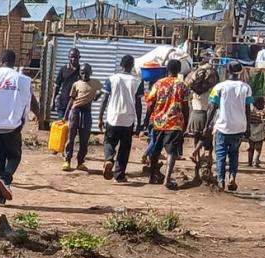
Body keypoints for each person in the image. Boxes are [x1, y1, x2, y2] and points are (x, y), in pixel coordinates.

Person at [0, 49, 39, 205]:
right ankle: (6, 179)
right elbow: (28, 102)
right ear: (14, 63)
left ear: (1, 61)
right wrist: (30, 118)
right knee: (14, 156)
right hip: (12, 125)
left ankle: (0, 198)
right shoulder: (23, 80)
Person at [141, 60, 187, 189]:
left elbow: (150, 103)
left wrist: (146, 120)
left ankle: (152, 177)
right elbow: (185, 106)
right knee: (172, 152)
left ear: (167, 69)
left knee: (156, 149)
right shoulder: (182, 85)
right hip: (175, 122)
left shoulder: (158, 83)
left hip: (158, 121)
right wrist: (185, 122)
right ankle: (167, 179)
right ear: (179, 70)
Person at [209, 63, 253, 191]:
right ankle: (232, 177)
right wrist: (248, 127)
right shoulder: (246, 88)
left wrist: (207, 125)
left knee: (220, 155)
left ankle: (221, 181)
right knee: (234, 153)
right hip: (239, 126)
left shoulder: (219, 87)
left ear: (227, 71)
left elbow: (213, 107)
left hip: (223, 126)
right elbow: (247, 109)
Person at [98, 55, 140, 183]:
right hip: (128, 119)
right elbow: (138, 104)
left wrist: (100, 117)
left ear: (121, 65)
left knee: (109, 142)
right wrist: (139, 122)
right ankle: (119, 175)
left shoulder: (112, 79)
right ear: (132, 66)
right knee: (125, 148)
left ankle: (109, 159)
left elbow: (104, 99)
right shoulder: (137, 81)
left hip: (113, 117)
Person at [61, 62, 100, 172]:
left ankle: (80, 162)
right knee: (71, 138)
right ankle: (67, 160)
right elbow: (72, 100)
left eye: (87, 73)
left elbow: (101, 93)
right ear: (79, 73)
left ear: (91, 72)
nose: (84, 75)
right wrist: (65, 115)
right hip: (75, 112)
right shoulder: (76, 84)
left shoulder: (96, 83)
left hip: (86, 112)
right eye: (82, 73)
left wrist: (98, 95)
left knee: (84, 139)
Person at [50, 47, 81, 120]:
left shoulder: (81, 71)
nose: (73, 59)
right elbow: (57, 86)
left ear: (79, 57)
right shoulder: (63, 69)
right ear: (68, 57)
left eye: (76, 57)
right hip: (62, 103)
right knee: (62, 123)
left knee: (72, 124)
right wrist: (52, 101)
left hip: (75, 104)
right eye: (72, 57)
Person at [246, 97, 265, 167]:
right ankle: (255, 162)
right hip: (259, 134)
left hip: (251, 134)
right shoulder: (263, 114)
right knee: (257, 149)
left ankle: (250, 162)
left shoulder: (250, 113)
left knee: (251, 148)